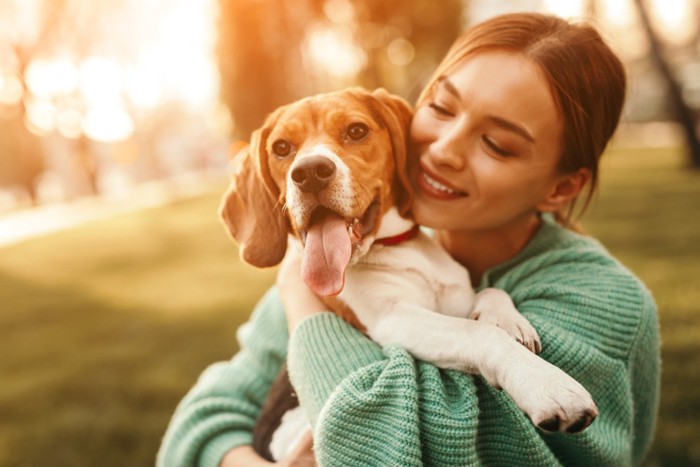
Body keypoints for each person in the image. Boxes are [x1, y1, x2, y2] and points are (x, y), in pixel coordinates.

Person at [157, 12, 660, 467]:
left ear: (561, 187)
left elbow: (380, 452)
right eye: (441, 108)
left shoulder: (599, 304)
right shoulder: (330, 258)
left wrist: (304, 306)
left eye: (497, 143)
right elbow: (202, 419)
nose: (443, 150)